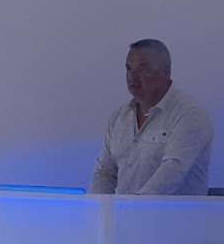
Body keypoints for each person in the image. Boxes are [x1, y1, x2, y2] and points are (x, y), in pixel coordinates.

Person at [90, 39, 213, 195]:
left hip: (174, 218)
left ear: (166, 72)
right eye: (129, 69)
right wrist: (102, 211)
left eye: (142, 69)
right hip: (125, 217)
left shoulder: (190, 114)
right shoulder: (119, 117)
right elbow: (105, 171)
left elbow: (172, 173)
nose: (132, 77)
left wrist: (133, 210)